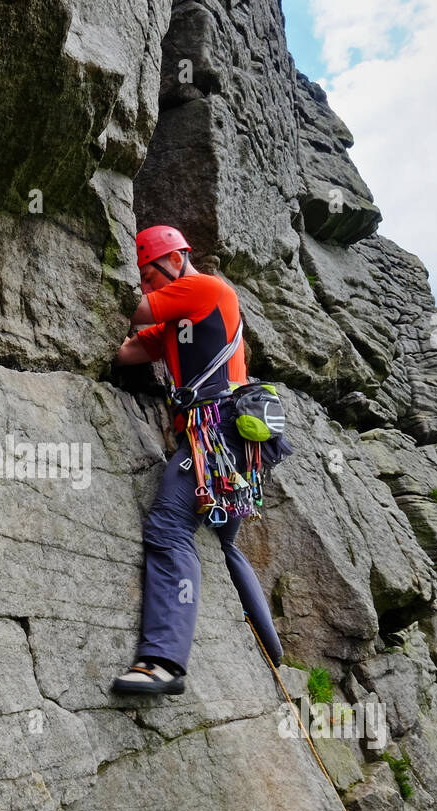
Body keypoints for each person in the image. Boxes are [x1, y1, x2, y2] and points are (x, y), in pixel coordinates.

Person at [110, 225, 283, 695]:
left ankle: (162, 663)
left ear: (174, 260)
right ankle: (271, 646)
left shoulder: (205, 288)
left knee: (169, 525)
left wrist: (111, 290)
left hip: (219, 434)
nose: (147, 286)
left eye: (149, 275)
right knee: (224, 542)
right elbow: (127, 350)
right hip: (230, 444)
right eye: (144, 279)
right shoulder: (172, 326)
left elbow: (134, 310)